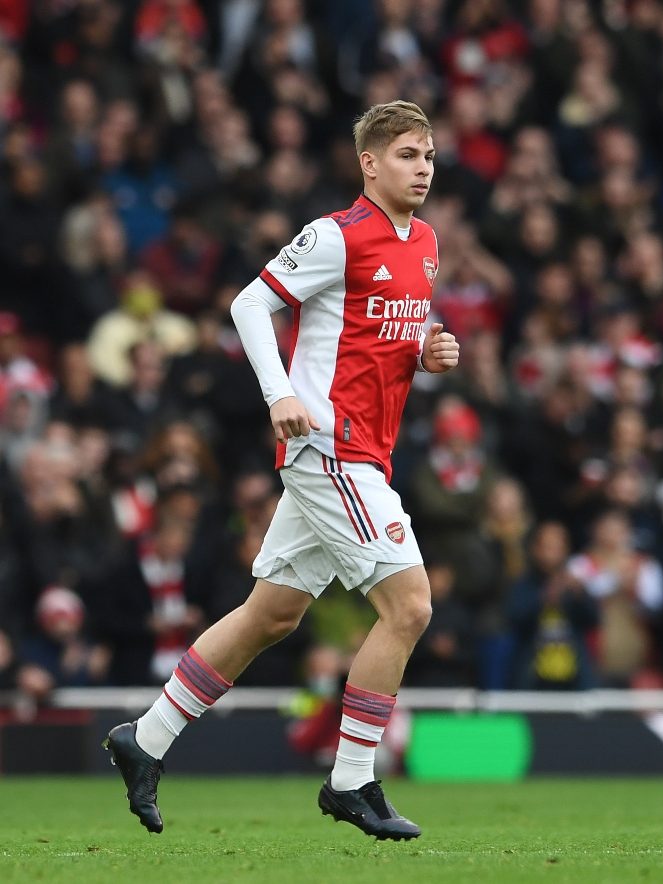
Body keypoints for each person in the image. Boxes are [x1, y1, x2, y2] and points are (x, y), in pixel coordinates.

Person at [103, 100, 459, 841]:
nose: (422, 168)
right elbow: (249, 304)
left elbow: (376, 337)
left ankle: (146, 737)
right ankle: (351, 781)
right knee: (410, 607)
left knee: (271, 614)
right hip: (331, 447)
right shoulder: (336, 234)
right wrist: (279, 394)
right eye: (406, 155)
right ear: (369, 164)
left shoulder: (425, 242)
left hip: (365, 450)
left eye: (428, 155)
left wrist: (425, 350)